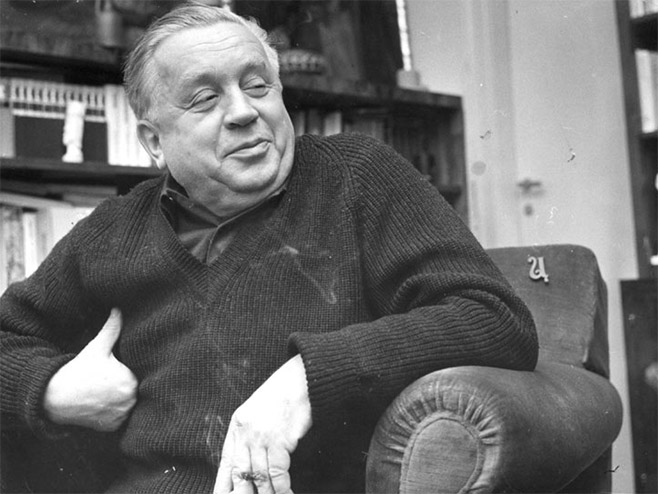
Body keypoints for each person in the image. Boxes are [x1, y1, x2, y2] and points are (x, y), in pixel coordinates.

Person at [0, 3, 538, 493]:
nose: (243, 111)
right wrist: (51, 390)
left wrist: (307, 380)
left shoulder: (358, 178)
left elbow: (494, 319)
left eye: (257, 86)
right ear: (154, 142)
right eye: (205, 99)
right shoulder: (114, 231)